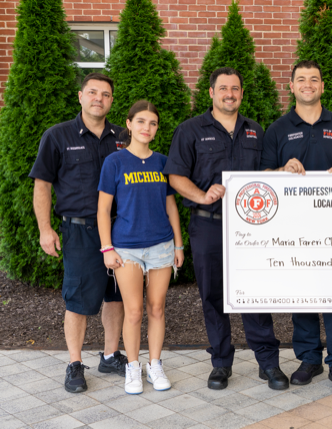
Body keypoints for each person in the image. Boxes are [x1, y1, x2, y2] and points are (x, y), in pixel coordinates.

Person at [164, 67, 288, 391]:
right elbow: (176, 176)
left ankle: (268, 363)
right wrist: (202, 196)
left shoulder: (255, 131)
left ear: (242, 93)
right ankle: (221, 363)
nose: (229, 94)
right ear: (211, 93)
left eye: (235, 88)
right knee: (213, 295)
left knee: (255, 295)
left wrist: (286, 170)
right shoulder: (190, 130)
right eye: (223, 88)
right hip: (208, 225)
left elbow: (266, 176)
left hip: (251, 229)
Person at [261, 60, 332, 393]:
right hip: (293, 229)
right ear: (290, 86)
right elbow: (261, 179)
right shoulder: (277, 129)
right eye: (301, 79)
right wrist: (280, 171)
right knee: (301, 294)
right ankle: (308, 359)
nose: (308, 84)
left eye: (314, 79)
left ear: (322, 85)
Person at [30, 73, 127, 393]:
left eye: (106, 94)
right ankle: (74, 363)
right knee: (78, 301)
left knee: (117, 296)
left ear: (112, 101)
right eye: (93, 92)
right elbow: (42, 184)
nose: (99, 98)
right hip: (81, 232)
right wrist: (45, 229)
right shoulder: (58, 136)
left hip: (122, 231)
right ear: (80, 96)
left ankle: (111, 355)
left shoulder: (123, 137)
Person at [97, 100, 184, 394]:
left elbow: (171, 205)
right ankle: (133, 367)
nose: (147, 128)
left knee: (157, 308)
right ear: (129, 124)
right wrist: (107, 248)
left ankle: (155, 365)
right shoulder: (115, 162)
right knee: (133, 311)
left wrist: (179, 244)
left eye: (153, 123)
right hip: (127, 249)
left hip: (161, 245)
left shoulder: (162, 162)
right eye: (142, 121)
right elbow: (103, 209)